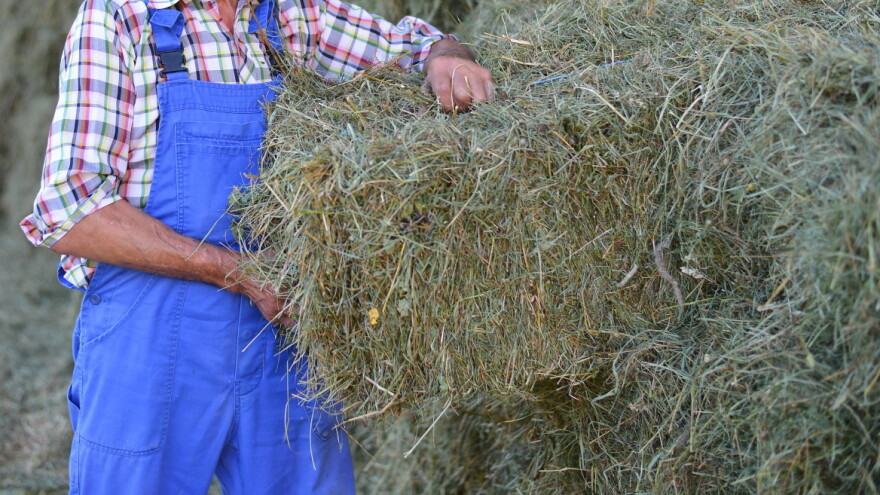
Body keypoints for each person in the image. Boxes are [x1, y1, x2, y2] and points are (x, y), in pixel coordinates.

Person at [20, 0, 494, 492]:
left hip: (280, 343)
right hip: (151, 344)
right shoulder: (119, 18)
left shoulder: (291, 15)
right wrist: (239, 273)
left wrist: (447, 56)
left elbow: (417, 47)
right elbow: (70, 210)